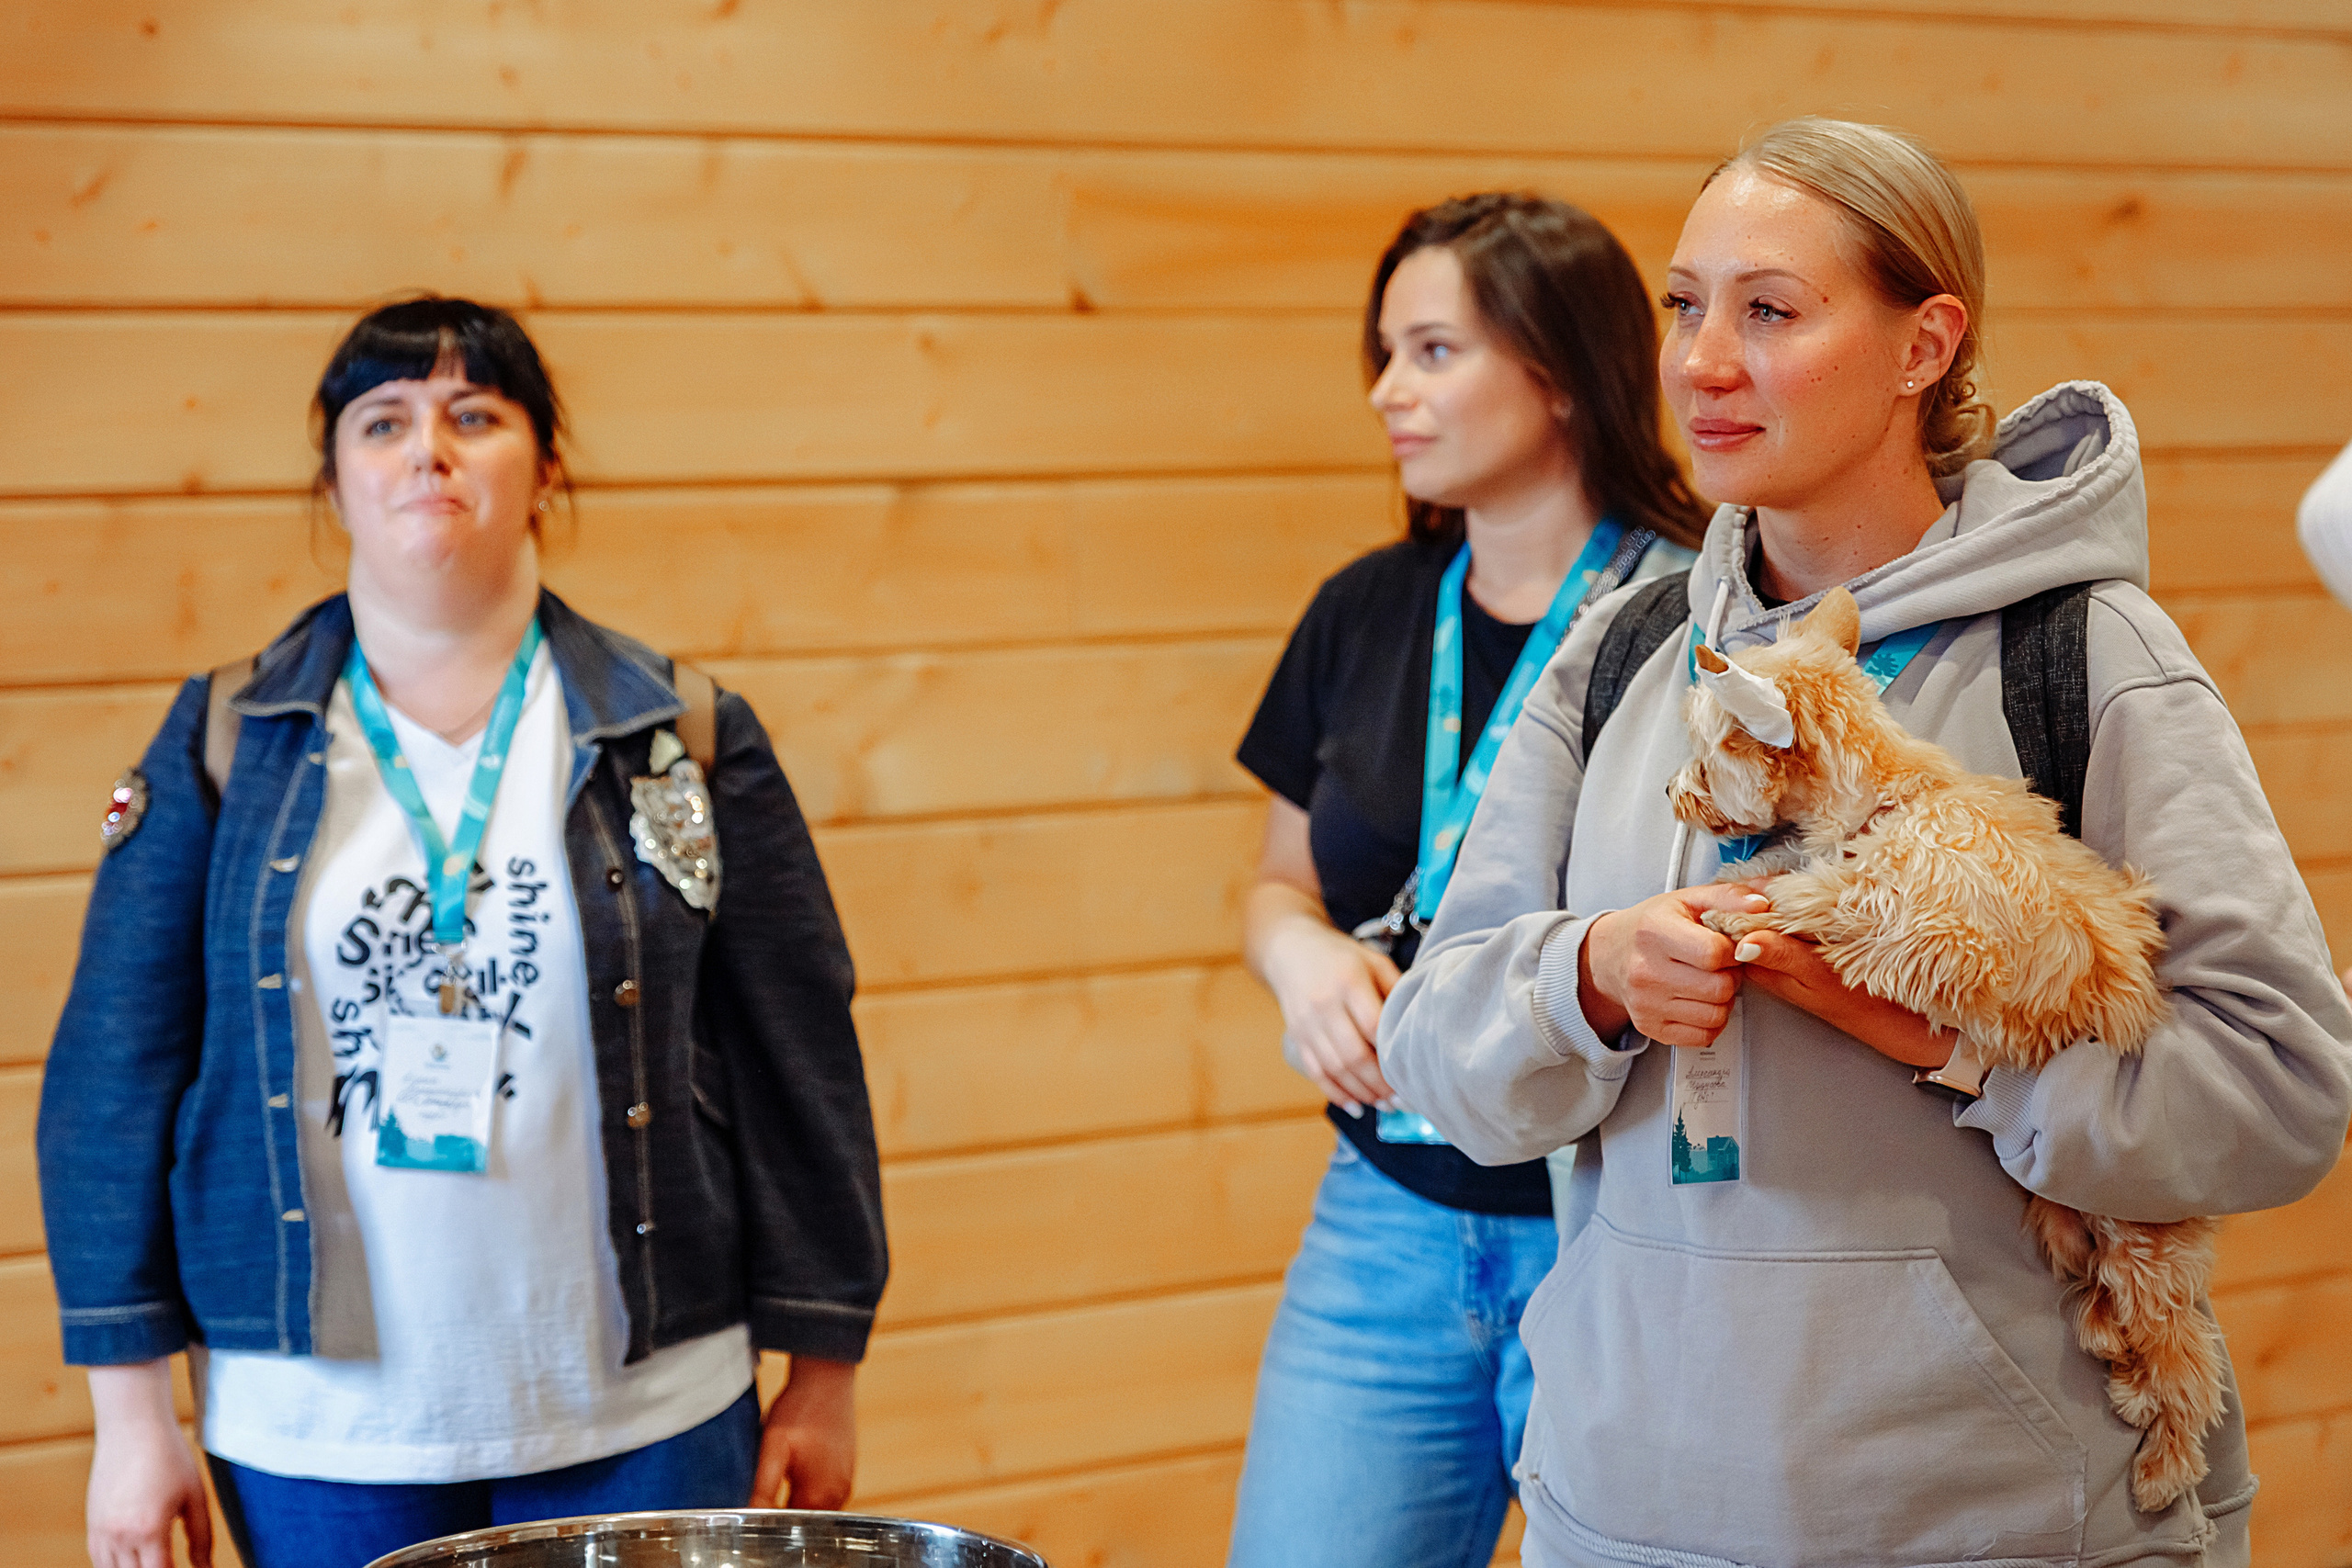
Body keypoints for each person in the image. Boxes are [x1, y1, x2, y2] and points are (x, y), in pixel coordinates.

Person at [1379, 119, 2352, 1568]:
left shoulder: (2088, 655)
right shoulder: (1620, 654)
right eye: (1684, 305)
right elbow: (1434, 1041)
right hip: (1620, 1511)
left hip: (1989, 1523)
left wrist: (1942, 1036)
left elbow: (2279, 1093)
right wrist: (1591, 974)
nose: (1704, 360)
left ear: (1923, 347)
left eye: (1768, 311)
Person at [39, 298, 888, 1568]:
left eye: (474, 416)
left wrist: (824, 1367)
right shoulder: (228, 743)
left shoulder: (680, 733)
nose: (427, 449)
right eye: (382, 422)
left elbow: (799, 1054)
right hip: (318, 1435)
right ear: (334, 481)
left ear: (546, 467)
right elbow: (114, 1072)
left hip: (643, 1414)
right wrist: (127, 1416)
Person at [1227, 194, 1709, 1567]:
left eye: (1432, 352)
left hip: (1626, 1223)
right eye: (1384, 354)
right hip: (1385, 1222)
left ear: (1558, 376)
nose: (1389, 393)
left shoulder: (1703, 618)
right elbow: (1274, 882)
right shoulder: (1366, 609)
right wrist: (1299, 957)